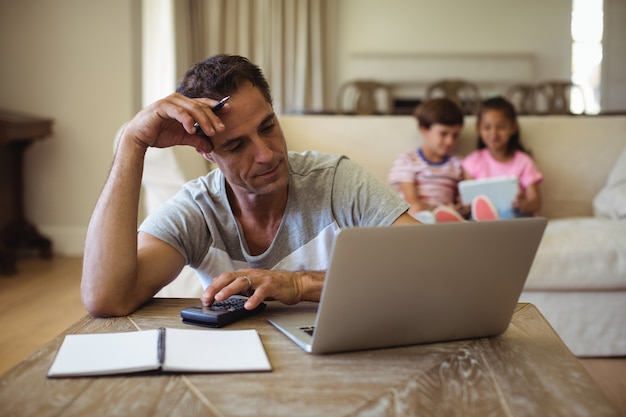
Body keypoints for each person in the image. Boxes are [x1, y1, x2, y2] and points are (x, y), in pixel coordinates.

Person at [81, 54, 418, 318]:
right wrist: (132, 142)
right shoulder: (198, 209)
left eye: (268, 127)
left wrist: (300, 284)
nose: (266, 154)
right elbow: (107, 297)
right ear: (207, 152)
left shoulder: (335, 181)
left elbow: (429, 265)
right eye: (236, 146)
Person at [388, 98, 467, 223]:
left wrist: (458, 208)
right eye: (443, 134)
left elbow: (464, 198)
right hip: (416, 215)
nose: (450, 141)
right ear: (424, 129)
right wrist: (433, 211)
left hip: (446, 217)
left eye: (455, 135)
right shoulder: (407, 160)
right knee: (415, 210)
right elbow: (411, 201)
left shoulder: (458, 163)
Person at [462, 96, 543, 219]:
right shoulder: (473, 161)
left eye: (501, 127)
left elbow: (536, 202)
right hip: (482, 220)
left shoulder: (523, 161)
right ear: (478, 129)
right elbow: (469, 199)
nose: (494, 133)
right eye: (487, 127)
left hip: (514, 216)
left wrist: (525, 204)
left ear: (513, 128)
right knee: (473, 217)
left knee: (510, 213)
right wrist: (465, 207)